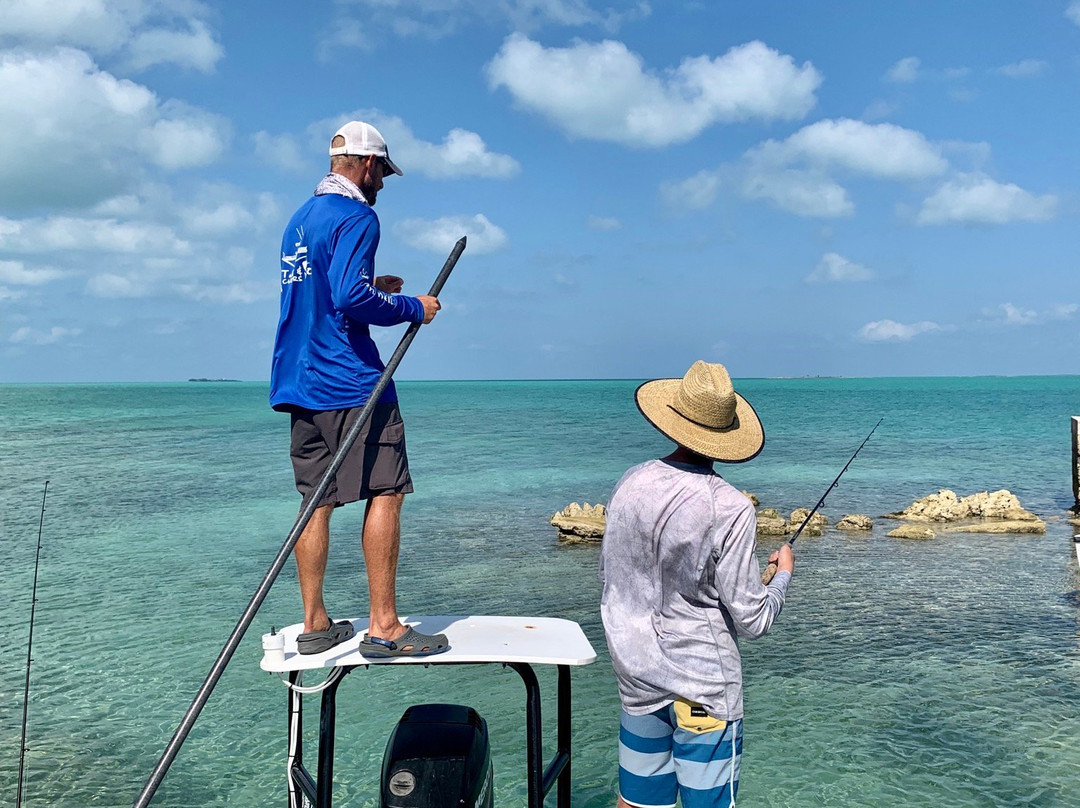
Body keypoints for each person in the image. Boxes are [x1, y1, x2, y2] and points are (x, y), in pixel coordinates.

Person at [270, 120, 448, 659]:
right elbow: (348, 298)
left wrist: (377, 289)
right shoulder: (357, 216)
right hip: (350, 381)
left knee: (315, 501)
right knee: (386, 491)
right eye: (383, 173)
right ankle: (385, 626)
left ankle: (315, 622)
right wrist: (413, 307)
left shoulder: (299, 220)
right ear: (367, 165)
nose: (383, 185)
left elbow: (331, 292)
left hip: (298, 381)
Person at [599, 360, 794, 807]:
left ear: (674, 418)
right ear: (725, 435)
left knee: (636, 802)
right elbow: (754, 619)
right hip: (703, 688)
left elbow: (614, 577)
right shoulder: (730, 507)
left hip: (637, 676)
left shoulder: (631, 481)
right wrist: (782, 575)